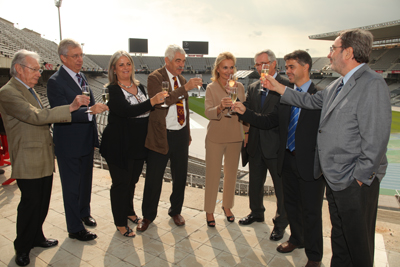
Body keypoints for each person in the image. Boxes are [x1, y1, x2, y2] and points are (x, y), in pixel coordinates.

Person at [261, 29, 391, 267]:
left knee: (358, 245)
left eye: (333, 49)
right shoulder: (338, 84)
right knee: (341, 241)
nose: (329, 55)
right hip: (335, 179)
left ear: (349, 52)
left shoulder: (372, 83)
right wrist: (278, 87)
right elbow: (309, 101)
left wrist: (359, 179)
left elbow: (376, 138)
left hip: (354, 182)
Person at [234, 50, 325, 267]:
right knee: (291, 204)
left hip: (310, 163)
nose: (288, 71)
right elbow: (270, 121)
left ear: (306, 67)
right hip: (287, 158)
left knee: (311, 211)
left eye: (292, 66)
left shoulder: (320, 93)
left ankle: (314, 256)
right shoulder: (286, 95)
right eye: (287, 66)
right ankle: (296, 238)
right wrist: (244, 112)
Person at [0, 50, 90, 266]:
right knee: (30, 204)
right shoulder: (8, 92)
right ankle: (22, 246)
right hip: (28, 158)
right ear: (19, 68)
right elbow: (35, 116)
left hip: (42, 156)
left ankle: (36, 237)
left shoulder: (28, 90)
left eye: (39, 69)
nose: (39, 73)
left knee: (42, 203)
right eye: (35, 69)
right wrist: (70, 107)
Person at [99, 50, 167, 237]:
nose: (125, 68)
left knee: (132, 182)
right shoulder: (111, 89)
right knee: (120, 184)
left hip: (138, 145)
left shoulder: (140, 87)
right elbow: (127, 111)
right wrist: (152, 102)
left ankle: (129, 211)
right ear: (114, 68)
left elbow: (146, 114)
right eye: (121, 65)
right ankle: (120, 222)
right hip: (119, 145)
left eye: (128, 64)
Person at [47, 39, 109, 241]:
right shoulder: (55, 82)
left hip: (85, 140)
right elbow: (61, 114)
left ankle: (84, 212)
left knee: (85, 183)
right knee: (72, 187)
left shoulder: (81, 77)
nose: (80, 59)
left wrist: (92, 112)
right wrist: (91, 110)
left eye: (81, 55)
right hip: (69, 143)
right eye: (75, 56)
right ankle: (74, 228)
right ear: (63, 58)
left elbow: (89, 104)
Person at [137, 44, 202, 232]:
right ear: (167, 60)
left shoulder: (181, 78)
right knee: (154, 178)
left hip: (180, 134)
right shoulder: (155, 77)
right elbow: (162, 102)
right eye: (178, 61)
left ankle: (176, 210)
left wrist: (187, 132)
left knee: (180, 176)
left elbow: (185, 109)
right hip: (161, 135)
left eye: (183, 61)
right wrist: (185, 88)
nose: (181, 65)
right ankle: (148, 215)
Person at [239, 49, 290, 242]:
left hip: (276, 146)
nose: (261, 68)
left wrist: (245, 112)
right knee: (255, 184)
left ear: (274, 64)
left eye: (264, 64)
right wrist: (236, 105)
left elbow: (273, 119)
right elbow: (249, 108)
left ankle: (280, 223)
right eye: (257, 65)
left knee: (280, 189)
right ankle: (256, 212)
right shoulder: (253, 86)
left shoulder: (285, 85)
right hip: (256, 144)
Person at [203, 52, 248, 227]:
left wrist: (246, 132)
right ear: (218, 69)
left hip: (235, 137)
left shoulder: (240, 87)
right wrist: (221, 106)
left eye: (231, 67)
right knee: (212, 175)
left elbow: (245, 113)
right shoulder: (211, 88)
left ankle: (227, 207)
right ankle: (209, 211)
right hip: (215, 137)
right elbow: (208, 112)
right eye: (225, 67)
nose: (228, 71)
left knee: (231, 175)